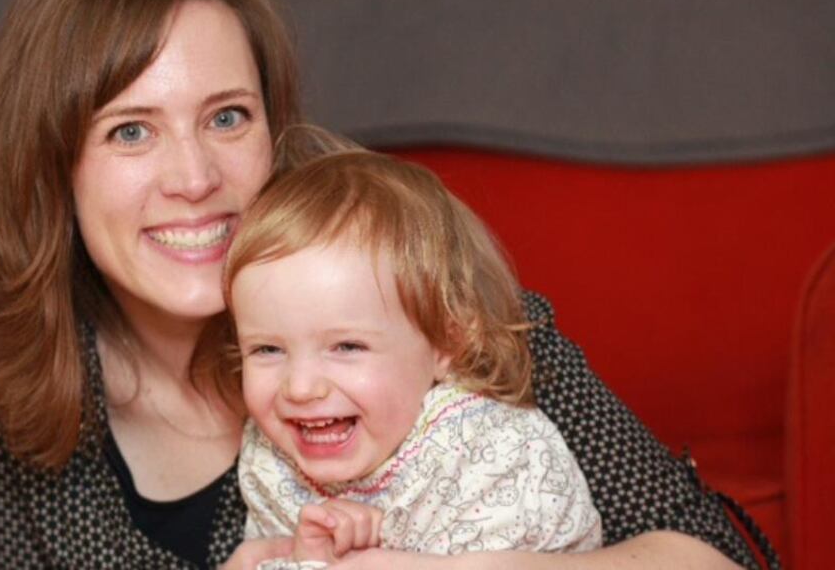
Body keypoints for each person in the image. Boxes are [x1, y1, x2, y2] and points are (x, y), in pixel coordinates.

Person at [0, 0, 760, 568]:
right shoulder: (6, 392)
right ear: (54, 167)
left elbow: (712, 555)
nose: (193, 177)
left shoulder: (415, 292)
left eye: (227, 117)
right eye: (131, 130)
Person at [220, 142, 602, 568]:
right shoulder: (272, 459)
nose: (301, 387)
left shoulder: (492, 457)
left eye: (347, 346)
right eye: (268, 349)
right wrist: (307, 557)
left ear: (448, 342)